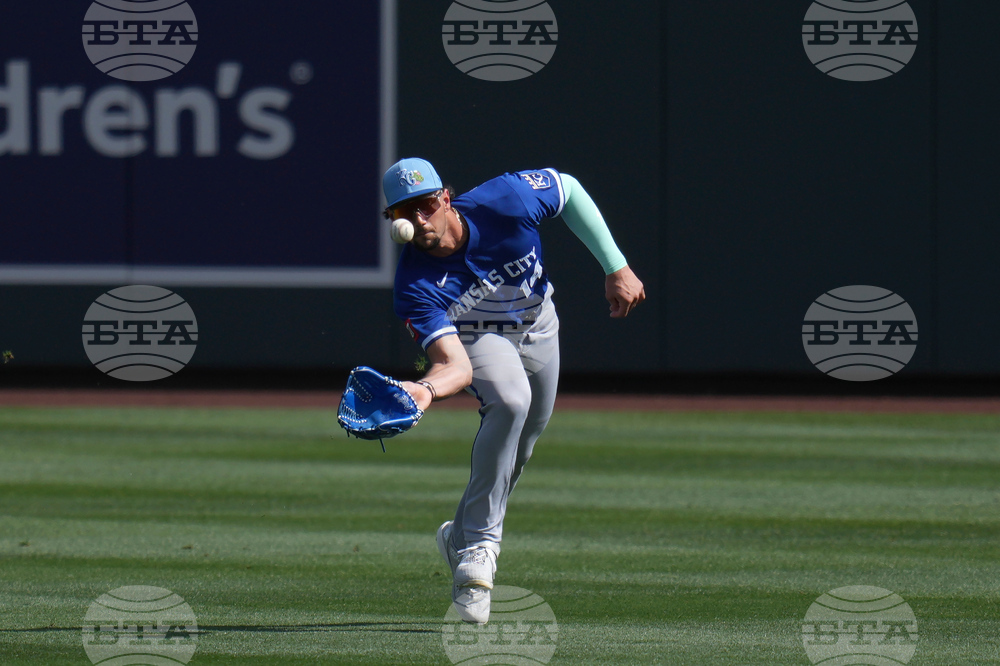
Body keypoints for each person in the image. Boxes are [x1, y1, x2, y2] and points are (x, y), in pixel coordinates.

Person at [383, 158, 645, 624]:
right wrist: (425, 389)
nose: (419, 219)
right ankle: (480, 551)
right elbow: (454, 365)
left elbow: (569, 189)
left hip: (540, 326)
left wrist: (615, 265)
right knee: (509, 402)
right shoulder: (416, 285)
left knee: (520, 447)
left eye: (425, 204)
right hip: (477, 338)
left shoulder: (506, 199)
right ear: (393, 220)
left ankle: (457, 537)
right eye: (404, 212)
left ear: (445, 197)